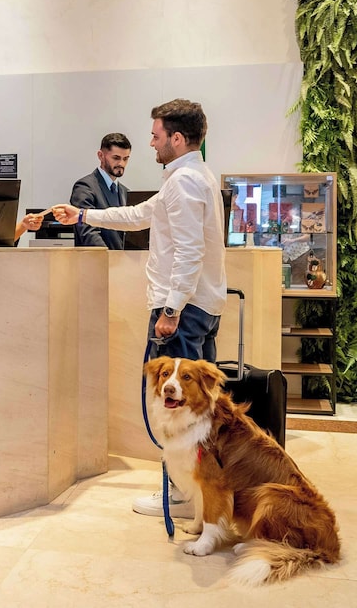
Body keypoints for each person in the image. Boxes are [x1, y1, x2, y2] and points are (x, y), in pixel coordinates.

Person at [51, 99, 227, 519]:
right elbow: (139, 215)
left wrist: (171, 310)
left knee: (177, 409)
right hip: (200, 307)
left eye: (155, 135)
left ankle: (183, 494)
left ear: (177, 138)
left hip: (183, 311)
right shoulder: (191, 176)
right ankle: (198, 492)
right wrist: (83, 215)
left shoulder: (184, 182)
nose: (151, 143)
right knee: (200, 410)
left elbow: (188, 252)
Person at [70, 133, 131, 249]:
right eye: (116, 158)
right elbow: (88, 232)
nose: (121, 164)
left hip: (123, 259)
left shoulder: (125, 191)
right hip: (99, 259)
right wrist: (109, 257)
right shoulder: (84, 187)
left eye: (125, 159)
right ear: (101, 155)